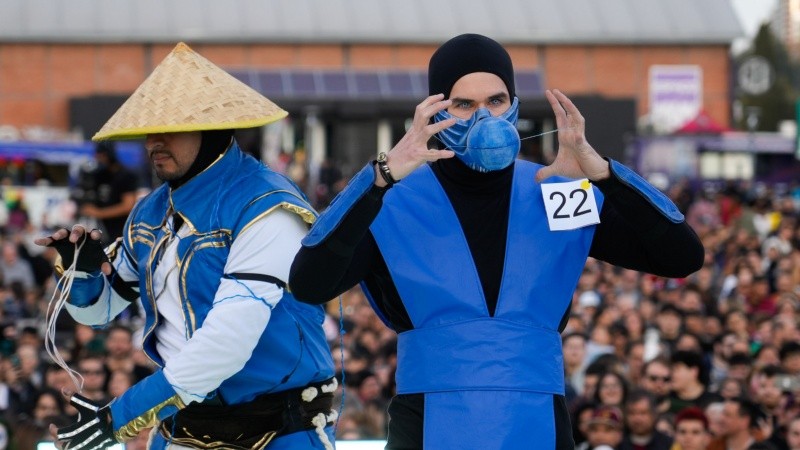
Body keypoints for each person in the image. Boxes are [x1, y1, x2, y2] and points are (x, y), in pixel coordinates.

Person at [289, 33, 704, 449]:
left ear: (514, 105)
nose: (483, 117)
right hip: (426, 421)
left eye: (496, 101)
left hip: (538, 418)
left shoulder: (556, 190)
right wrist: (378, 178)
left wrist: (604, 175)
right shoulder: (393, 200)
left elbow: (682, 256)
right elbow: (308, 283)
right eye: (463, 105)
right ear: (435, 112)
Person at [35, 42, 336, 450]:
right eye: (148, 129)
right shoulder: (150, 210)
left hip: (279, 432)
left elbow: (224, 345)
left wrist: (119, 416)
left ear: (212, 128)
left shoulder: (268, 208)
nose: (153, 142)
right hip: (182, 426)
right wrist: (83, 272)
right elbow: (99, 312)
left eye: (170, 127)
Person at [77, 141, 139, 241]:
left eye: (102, 156)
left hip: (120, 228)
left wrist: (99, 213)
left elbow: (128, 206)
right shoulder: (99, 175)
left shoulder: (125, 175)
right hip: (100, 228)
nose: (99, 159)